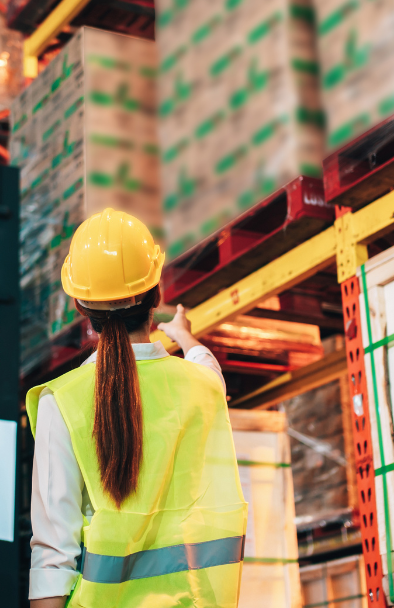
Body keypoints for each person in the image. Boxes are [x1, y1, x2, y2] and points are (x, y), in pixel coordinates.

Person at [27, 208, 248, 607]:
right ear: (156, 297)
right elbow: (207, 368)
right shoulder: (203, 388)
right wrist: (184, 336)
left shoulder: (63, 401)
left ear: (81, 310)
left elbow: (52, 555)